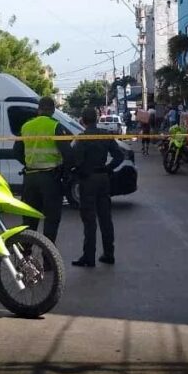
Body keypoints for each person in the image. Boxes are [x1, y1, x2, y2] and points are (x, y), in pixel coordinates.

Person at [13, 97, 74, 243]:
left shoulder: (26, 126)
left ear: (38, 110)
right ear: (53, 110)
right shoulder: (55, 127)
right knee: (51, 220)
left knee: (29, 220)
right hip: (50, 179)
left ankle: (25, 259)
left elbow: (16, 151)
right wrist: (64, 173)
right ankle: (49, 260)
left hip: (30, 178)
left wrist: (29, 162)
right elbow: (69, 155)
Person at [71, 108, 124, 268]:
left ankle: (89, 257)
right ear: (97, 119)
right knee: (105, 218)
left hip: (88, 180)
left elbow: (75, 159)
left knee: (89, 220)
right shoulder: (105, 135)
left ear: (83, 121)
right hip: (103, 179)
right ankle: (109, 254)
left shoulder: (82, 138)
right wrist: (108, 168)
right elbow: (119, 156)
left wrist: (78, 171)